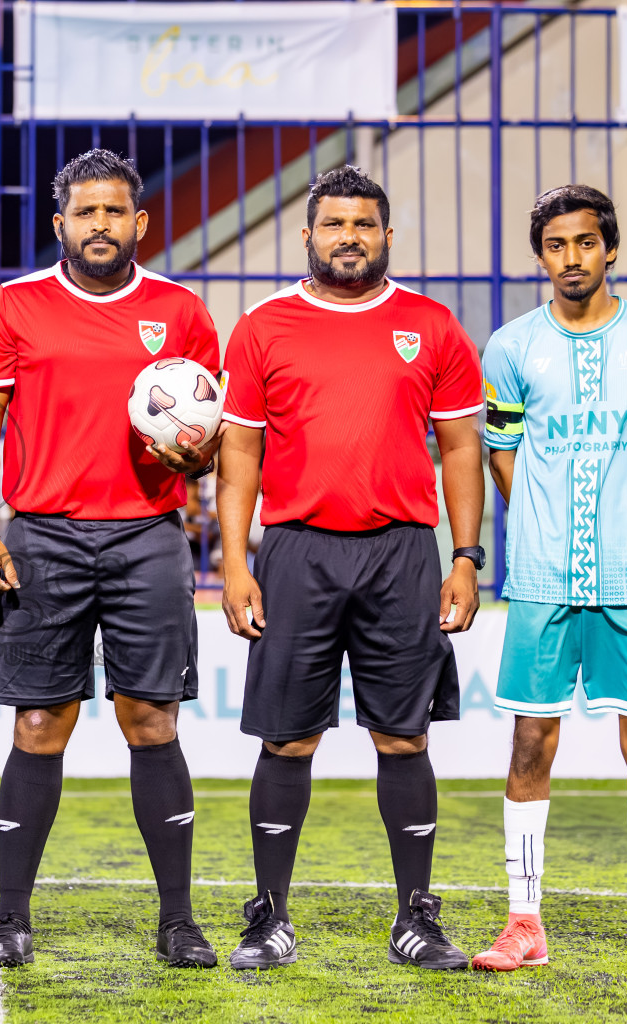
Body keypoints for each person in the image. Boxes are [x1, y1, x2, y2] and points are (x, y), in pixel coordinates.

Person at [218, 166, 485, 971]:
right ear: (307, 235)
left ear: (387, 235)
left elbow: (463, 448)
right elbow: (239, 454)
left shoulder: (431, 325)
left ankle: (417, 917)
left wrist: (465, 558)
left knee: (402, 738)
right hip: (298, 551)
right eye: (334, 225)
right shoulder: (265, 326)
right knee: (287, 740)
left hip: (403, 551)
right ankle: (269, 915)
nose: (349, 238)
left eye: (364, 225)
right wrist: (234, 564)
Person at [0, 149, 222, 969]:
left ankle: (177, 920)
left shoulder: (180, 310)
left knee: (152, 720)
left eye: (116, 212)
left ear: (140, 223)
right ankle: (11, 917)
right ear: (60, 225)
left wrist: (197, 458)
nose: (101, 226)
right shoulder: (15, 306)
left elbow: (205, 433)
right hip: (42, 536)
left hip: (148, 534)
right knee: (40, 723)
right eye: (86, 213)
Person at [473, 185, 627, 974]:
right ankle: (523, 924)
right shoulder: (509, 346)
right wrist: (539, 520)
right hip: (541, 578)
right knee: (530, 741)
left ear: (609, 249)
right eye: (556, 245)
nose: (571, 258)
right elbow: (501, 448)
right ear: (540, 255)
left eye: (585, 243)